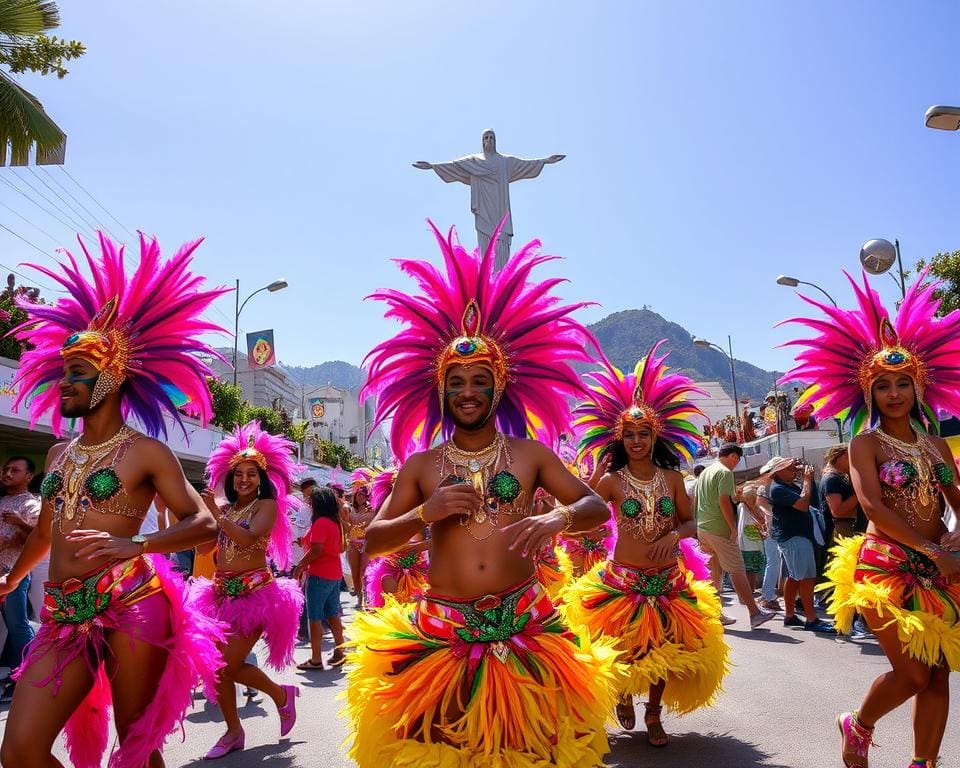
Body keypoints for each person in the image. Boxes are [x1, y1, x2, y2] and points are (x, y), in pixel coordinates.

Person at [344, 223, 620, 767]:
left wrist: (556, 520)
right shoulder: (421, 466)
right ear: (440, 390)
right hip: (442, 633)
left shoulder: (532, 455)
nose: (467, 392)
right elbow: (370, 540)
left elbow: (596, 506)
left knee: (531, 754)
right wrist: (427, 511)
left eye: (478, 381)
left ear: (499, 387)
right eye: (456, 381)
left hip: (525, 624)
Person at [0, 232, 227, 768]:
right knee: (20, 750)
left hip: (133, 603)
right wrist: (9, 581)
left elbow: (202, 524)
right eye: (64, 372)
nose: (66, 382)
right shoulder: (59, 455)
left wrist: (138, 545)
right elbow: (43, 532)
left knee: (136, 744)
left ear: (114, 376)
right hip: (64, 610)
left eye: (79, 372)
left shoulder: (147, 453)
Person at [781, 270, 960, 768]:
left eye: (904, 382)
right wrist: (933, 551)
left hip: (939, 567)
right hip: (884, 567)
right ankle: (858, 725)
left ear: (920, 385)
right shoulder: (865, 444)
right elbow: (874, 506)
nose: (895, 393)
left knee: (940, 671)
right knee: (913, 674)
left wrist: (956, 536)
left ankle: (923, 762)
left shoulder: (935, 443)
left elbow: (957, 497)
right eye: (884, 386)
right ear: (869, 394)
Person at [564, 342, 729, 747]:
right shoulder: (612, 480)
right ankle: (622, 693)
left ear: (656, 437)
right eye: (630, 435)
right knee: (620, 650)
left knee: (662, 653)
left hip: (666, 579)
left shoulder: (673, 478)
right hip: (622, 582)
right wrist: (593, 476)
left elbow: (690, 522)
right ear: (620, 439)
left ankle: (654, 715)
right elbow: (580, 512)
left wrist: (674, 534)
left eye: (644, 433)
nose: (637, 441)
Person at [192, 420, 303, 759]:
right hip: (220, 595)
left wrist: (217, 515)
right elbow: (202, 550)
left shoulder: (267, 506)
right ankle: (233, 732)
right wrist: (199, 518)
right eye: (239, 474)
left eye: (251, 474)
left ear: (262, 478)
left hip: (257, 596)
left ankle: (280, 695)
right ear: (230, 476)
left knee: (227, 664)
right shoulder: (226, 509)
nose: (244, 479)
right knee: (216, 668)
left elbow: (248, 537)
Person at [695, 444, 775, 628]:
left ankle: (715, 613)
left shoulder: (705, 473)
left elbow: (697, 503)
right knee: (737, 569)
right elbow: (724, 500)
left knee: (713, 577)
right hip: (719, 529)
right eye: (737, 460)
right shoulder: (724, 472)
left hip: (704, 529)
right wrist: (732, 527)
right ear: (733, 456)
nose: (736, 464)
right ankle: (754, 613)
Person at [766, 457, 834, 633]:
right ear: (777, 472)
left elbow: (811, 502)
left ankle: (790, 615)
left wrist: (807, 481)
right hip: (794, 537)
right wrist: (806, 480)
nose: (793, 469)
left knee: (795, 577)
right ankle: (811, 619)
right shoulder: (778, 488)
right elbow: (803, 505)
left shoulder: (787, 486)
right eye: (789, 468)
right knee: (806, 578)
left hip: (796, 536)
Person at [820, 445, 872, 639]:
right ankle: (855, 623)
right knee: (852, 577)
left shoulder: (837, 476)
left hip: (849, 529)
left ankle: (851, 623)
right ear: (840, 456)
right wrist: (860, 493)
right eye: (849, 457)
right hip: (844, 530)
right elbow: (837, 510)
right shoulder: (832, 478)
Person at [0, 456, 41, 699]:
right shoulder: (3, 500)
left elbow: (43, 537)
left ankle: (23, 678)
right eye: (6, 469)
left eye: (14, 470)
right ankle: (17, 671)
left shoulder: (30, 505)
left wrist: (21, 525)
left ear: (28, 477)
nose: (7, 474)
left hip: (14, 573)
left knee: (18, 624)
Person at [294, 487, 346, 669]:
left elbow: (317, 549)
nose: (309, 504)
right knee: (333, 614)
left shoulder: (321, 523)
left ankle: (316, 658)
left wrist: (300, 565)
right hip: (334, 573)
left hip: (319, 574)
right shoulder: (334, 522)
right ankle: (340, 650)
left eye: (311, 501)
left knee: (314, 617)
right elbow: (336, 547)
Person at [345, 473, 375, 609]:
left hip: (367, 544)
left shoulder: (372, 510)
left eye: (362, 495)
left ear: (366, 496)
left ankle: (367, 598)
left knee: (364, 572)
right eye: (358, 495)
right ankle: (359, 597)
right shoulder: (350, 510)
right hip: (352, 544)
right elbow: (347, 526)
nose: (360, 497)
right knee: (355, 573)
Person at [736, 483, 766, 592]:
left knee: (749, 570)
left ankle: (749, 591)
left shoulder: (741, 506)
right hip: (752, 544)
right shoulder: (753, 509)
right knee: (751, 571)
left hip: (744, 544)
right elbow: (762, 521)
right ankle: (750, 591)